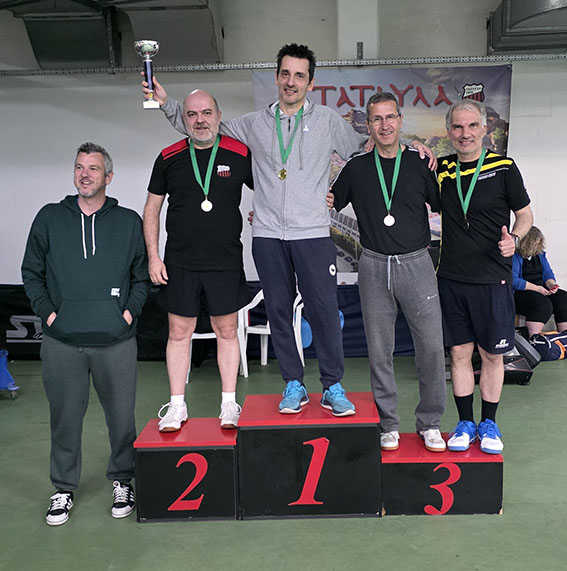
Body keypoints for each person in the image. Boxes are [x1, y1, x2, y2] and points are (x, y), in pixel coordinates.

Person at [21, 142, 149, 526]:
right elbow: (31, 272)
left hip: (116, 341)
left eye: (93, 168)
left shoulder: (128, 222)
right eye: (79, 167)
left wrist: (127, 313)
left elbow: (141, 277)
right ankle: (62, 488)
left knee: (122, 419)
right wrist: (50, 315)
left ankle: (123, 481)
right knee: (64, 419)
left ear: (108, 176)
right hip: (63, 342)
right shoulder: (49, 218)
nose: (85, 174)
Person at [331, 92, 446, 452]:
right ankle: (388, 423)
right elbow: (330, 200)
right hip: (374, 265)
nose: (384, 125)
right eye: (377, 119)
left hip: (417, 263)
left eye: (390, 117)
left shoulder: (419, 163)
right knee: (380, 352)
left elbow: (441, 204)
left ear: (400, 120)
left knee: (431, 348)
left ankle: (430, 422)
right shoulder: (356, 168)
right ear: (368, 124)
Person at [144, 89, 253, 432]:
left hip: (225, 261)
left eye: (206, 113)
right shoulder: (168, 157)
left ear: (218, 116)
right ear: (184, 119)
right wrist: (153, 257)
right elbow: (151, 210)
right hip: (180, 262)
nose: (200, 120)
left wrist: (263, 215)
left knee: (227, 331)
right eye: (192, 114)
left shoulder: (240, 153)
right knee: (179, 332)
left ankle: (229, 404)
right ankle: (176, 406)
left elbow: (270, 190)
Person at [437, 100, 533, 454]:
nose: (465, 134)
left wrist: (515, 240)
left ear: (484, 129)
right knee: (459, 352)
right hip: (451, 277)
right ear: (449, 131)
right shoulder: (442, 169)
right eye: (458, 127)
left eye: (472, 126)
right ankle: (465, 422)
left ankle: (489, 423)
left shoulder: (504, 167)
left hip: (493, 279)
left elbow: (525, 214)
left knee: (492, 354)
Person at [513, 226, 567, 336]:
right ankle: (533, 338)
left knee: (563, 299)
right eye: (535, 243)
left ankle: (563, 337)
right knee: (542, 305)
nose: (537, 245)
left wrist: (551, 285)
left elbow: (548, 274)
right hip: (521, 292)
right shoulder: (514, 256)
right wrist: (537, 289)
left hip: (540, 289)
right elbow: (514, 281)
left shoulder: (540, 254)